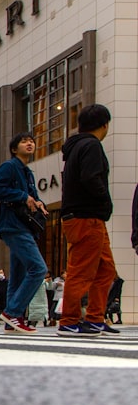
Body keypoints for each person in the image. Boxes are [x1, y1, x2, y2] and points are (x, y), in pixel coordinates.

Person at [58, 104, 119, 337]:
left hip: (86, 217)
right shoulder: (91, 146)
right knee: (82, 271)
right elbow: (91, 178)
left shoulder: (76, 147)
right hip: (87, 217)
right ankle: (69, 320)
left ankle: (95, 318)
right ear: (105, 125)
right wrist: (105, 201)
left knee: (106, 269)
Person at [0, 132, 47, 334]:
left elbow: (32, 197)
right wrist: (22, 196)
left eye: (32, 141)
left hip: (23, 226)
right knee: (38, 269)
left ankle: (12, 320)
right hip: (14, 226)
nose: (30, 143)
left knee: (19, 275)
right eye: (24, 141)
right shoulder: (10, 166)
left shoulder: (27, 172)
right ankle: (13, 312)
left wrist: (37, 202)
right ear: (14, 149)